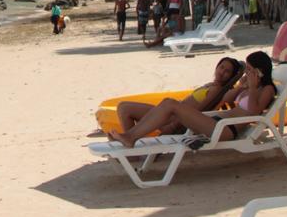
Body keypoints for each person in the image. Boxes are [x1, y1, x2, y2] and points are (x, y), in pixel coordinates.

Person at [109, 51, 278, 148]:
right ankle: (130, 136)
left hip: (226, 130)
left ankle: (130, 137)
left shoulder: (267, 89)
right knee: (168, 103)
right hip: (216, 122)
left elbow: (255, 112)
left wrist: (254, 87)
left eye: (250, 69)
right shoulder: (248, 87)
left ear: (260, 71)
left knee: (170, 104)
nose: (247, 73)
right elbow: (226, 99)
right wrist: (242, 86)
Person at [115, 56, 244, 136]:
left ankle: (129, 143)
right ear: (217, 67)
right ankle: (129, 140)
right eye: (221, 67)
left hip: (172, 118)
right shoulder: (212, 85)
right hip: (169, 113)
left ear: (231, 77)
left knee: (125, 109)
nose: (222, 72)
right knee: (122, 107)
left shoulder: (216, 90)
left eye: (227, 72)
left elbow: (198, 112)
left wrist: (172, 126)